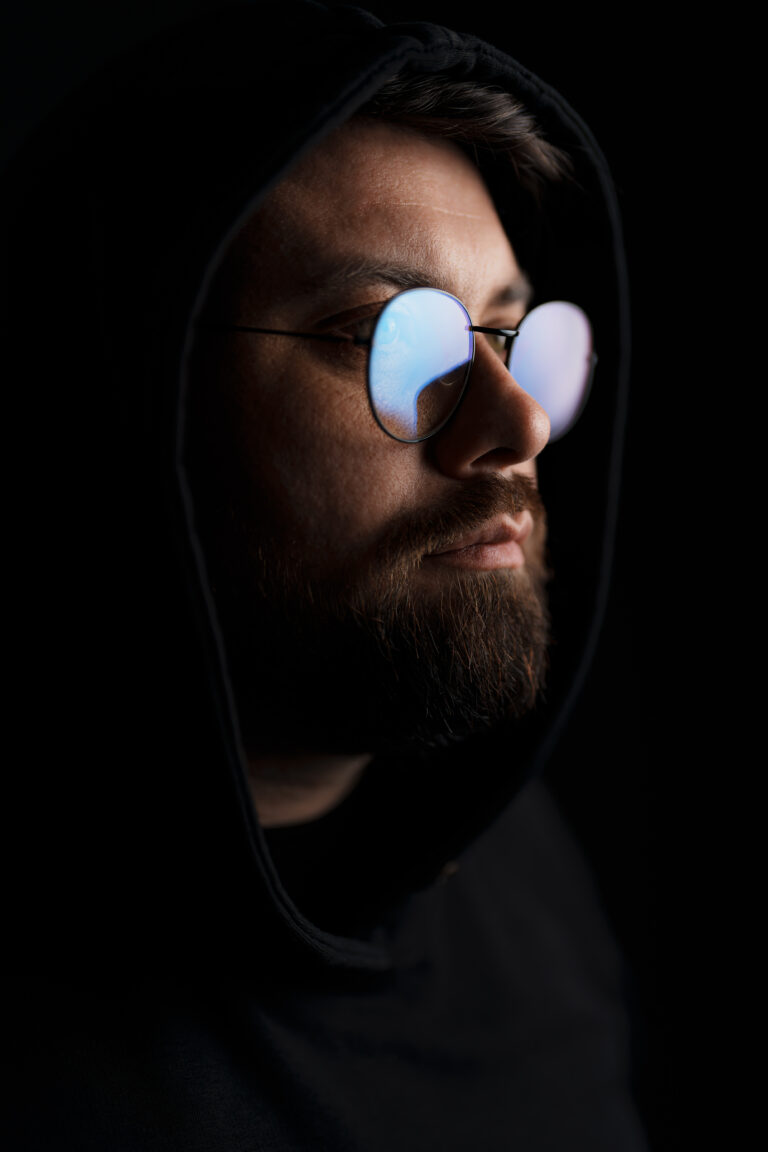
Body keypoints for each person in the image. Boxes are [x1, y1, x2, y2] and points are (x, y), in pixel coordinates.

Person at [7, 2, 647, 1148]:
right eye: (395, 341)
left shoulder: (521, 874)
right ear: (130, 399)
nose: (518, 428)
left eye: (515, 337)